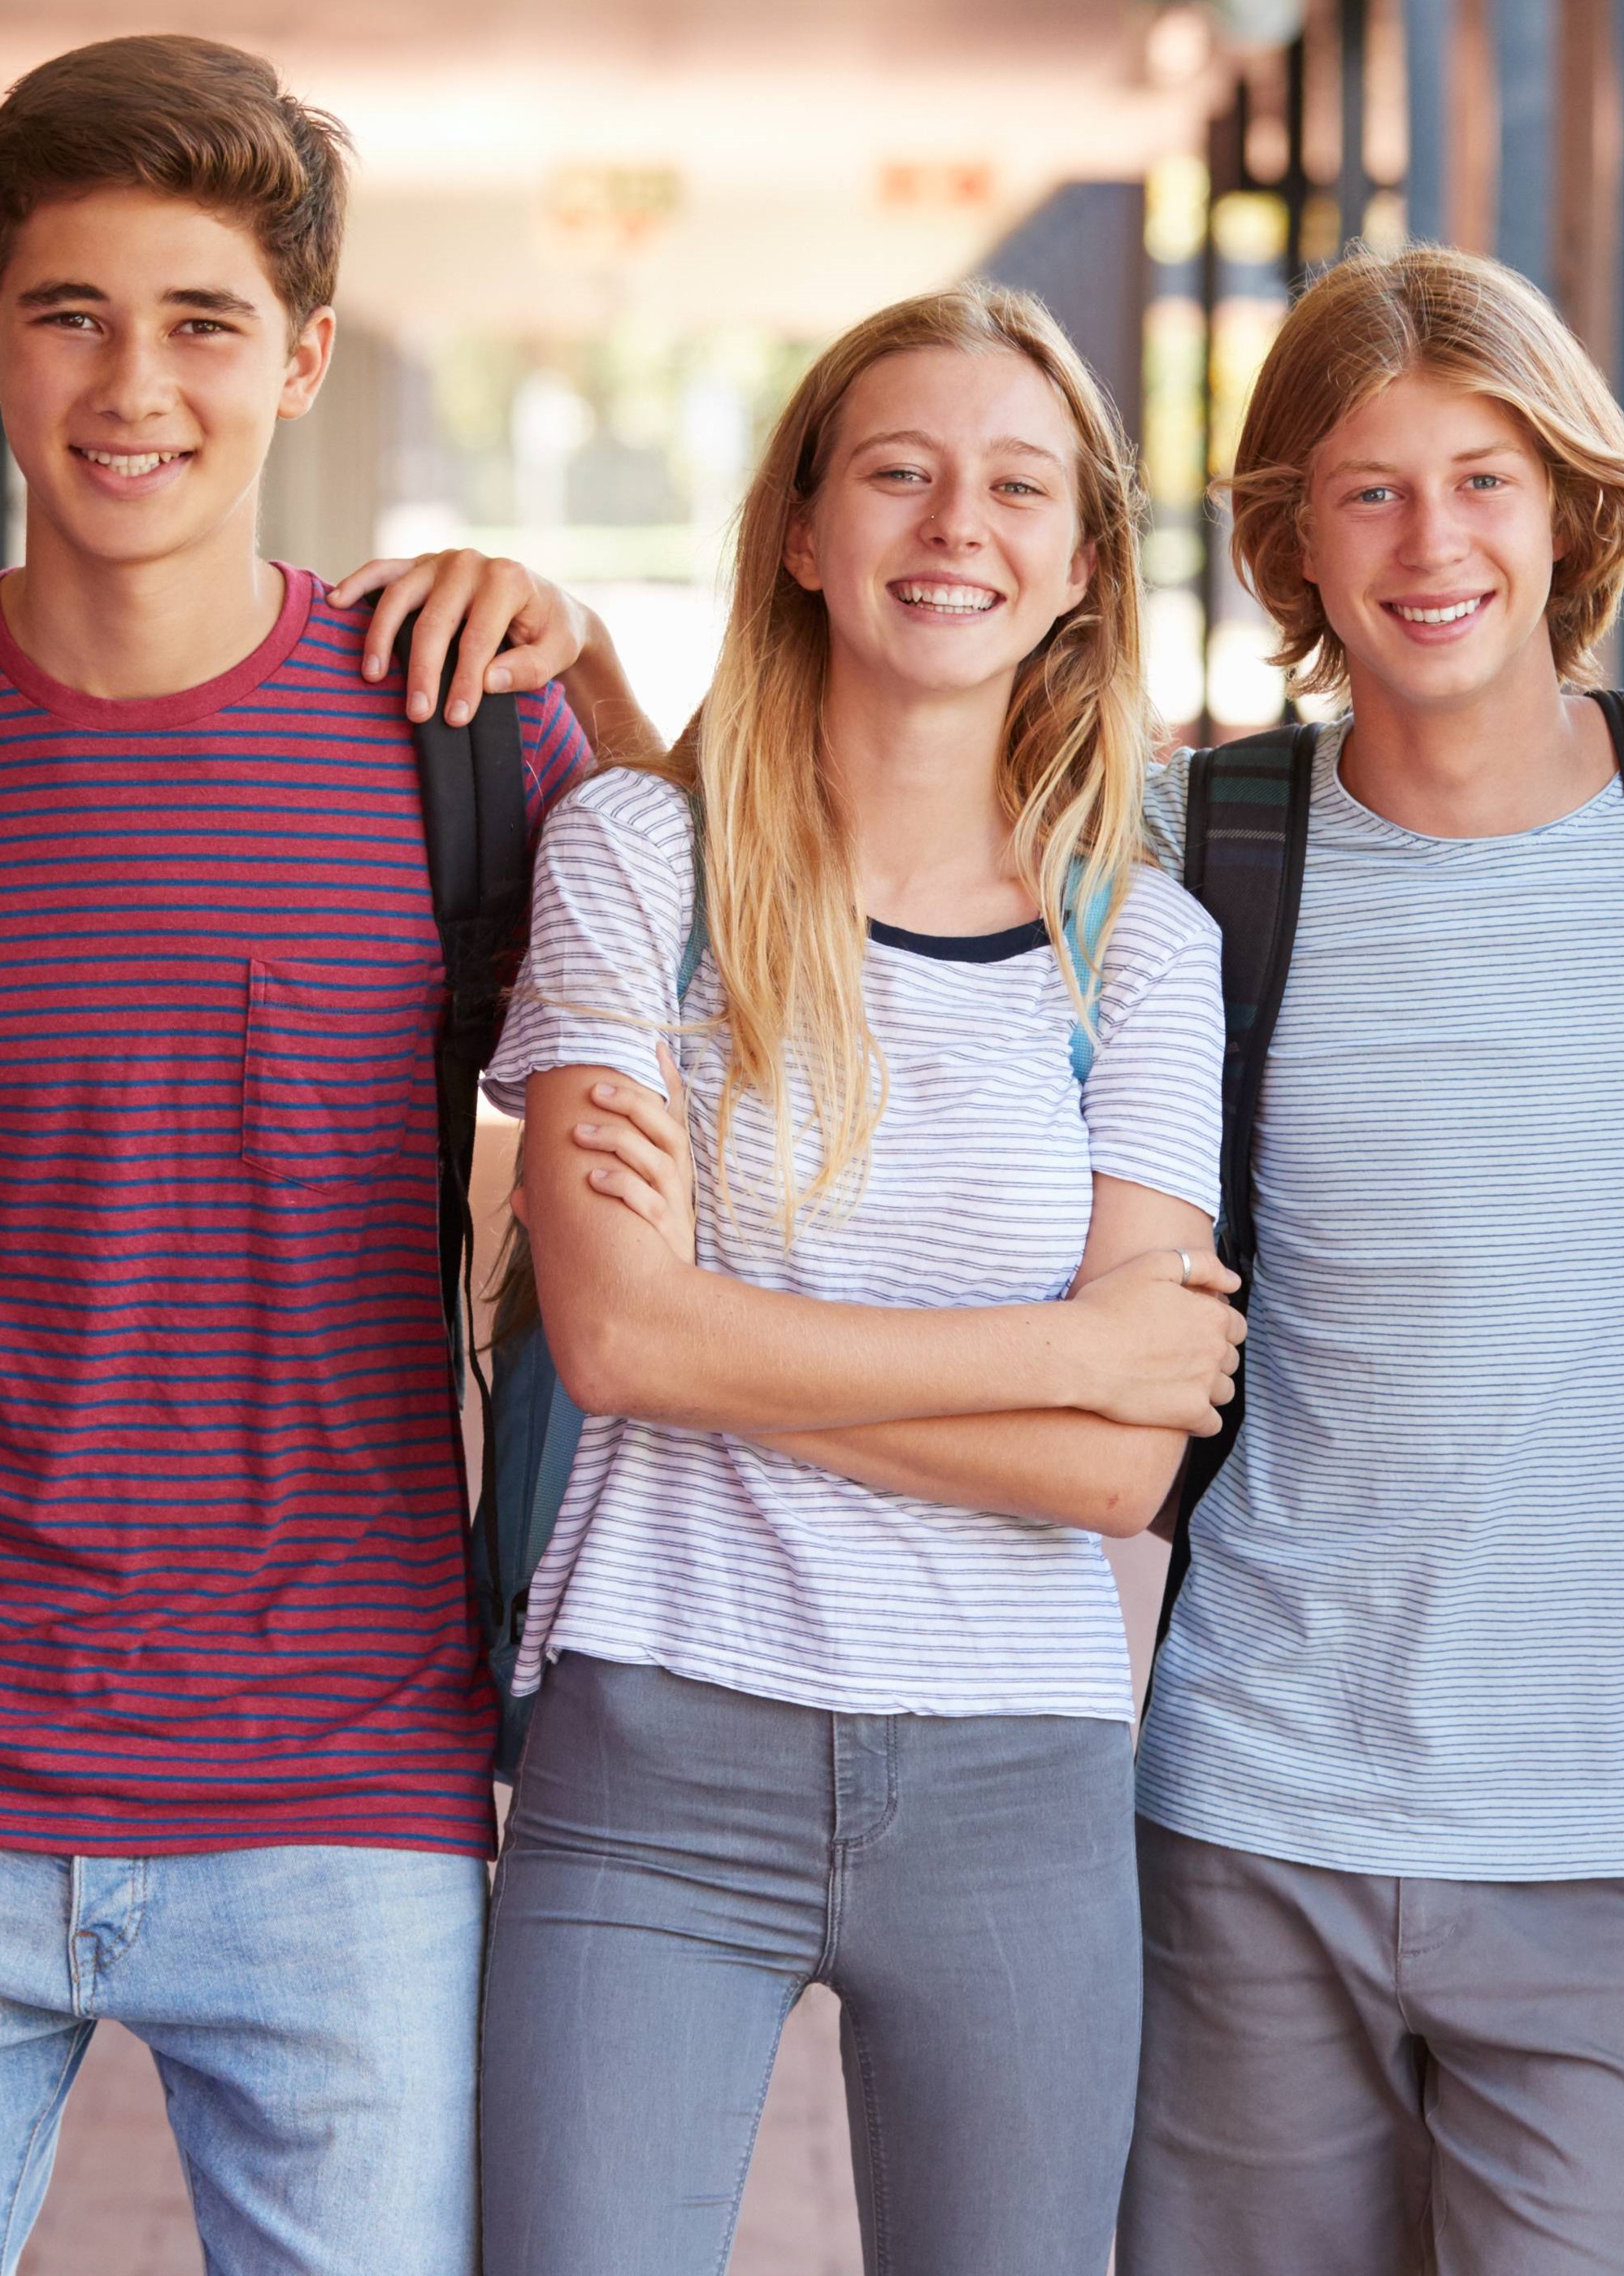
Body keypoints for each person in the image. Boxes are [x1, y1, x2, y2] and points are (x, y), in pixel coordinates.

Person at [0, 39, 591, 2276]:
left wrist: (600, 655)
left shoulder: (463, 725)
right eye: (69, 312)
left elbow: (727, 1012)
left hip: (343, 1782)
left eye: (198, 322)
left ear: (303, 355)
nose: (131, 384)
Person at [475, 280, 1237, 2276]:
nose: (949, 525)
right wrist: (1072, 1346)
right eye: (895, 472)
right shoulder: (639, 861)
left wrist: (724, 1339)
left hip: (1019, 1779)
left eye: (1011, 485)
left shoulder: (1139, 954)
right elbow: (612, 1326)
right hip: (653, 1739)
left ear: (1079, 563)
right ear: (801, 531)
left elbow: (1113, 1477)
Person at [1103, 241, 1624, 2276]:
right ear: (1287, 542)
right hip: (1250, 1803)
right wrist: (566, 671)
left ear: (1571, 503)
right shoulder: (1193, 843)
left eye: (1482, 478)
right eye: (1368, 489)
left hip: (1620, 1838)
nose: (1432, 543)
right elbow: (831, 830)